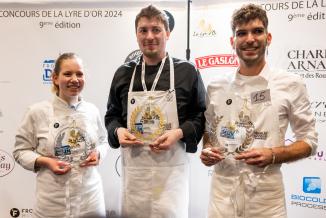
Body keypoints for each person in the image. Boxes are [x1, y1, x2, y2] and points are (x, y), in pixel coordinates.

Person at [200, 4, 318, 218]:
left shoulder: (291, 84)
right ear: (232, 41)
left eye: (257, 31)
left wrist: (273, 154)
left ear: (268, 37)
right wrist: (208, 149)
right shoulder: (216, 86)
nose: (250, 39)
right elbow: (209, 131)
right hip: (221, 199)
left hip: (266, 202)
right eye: (241, 33)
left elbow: (309, 142)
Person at [105, 5, 206, 218]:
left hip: (171, 172)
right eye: (143, 30)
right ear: (136, 34)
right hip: (135, 173)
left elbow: (201, 115)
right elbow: (111, 115)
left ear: (167, 33)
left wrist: (178, 133)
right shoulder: (123, 73)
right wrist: (117, 132)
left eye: (156, 29)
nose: (149, 36)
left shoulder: (187, 71)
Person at [13, 53, 108, 218]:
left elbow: (104, 141)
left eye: (79, 74)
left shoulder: (92, 110)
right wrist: (45, 161)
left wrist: (98, 153)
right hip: (52, 203)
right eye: (67, 74)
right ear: (55, 78)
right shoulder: (37, 112)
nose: (74, 79)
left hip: (90, 200)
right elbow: (20, 151)